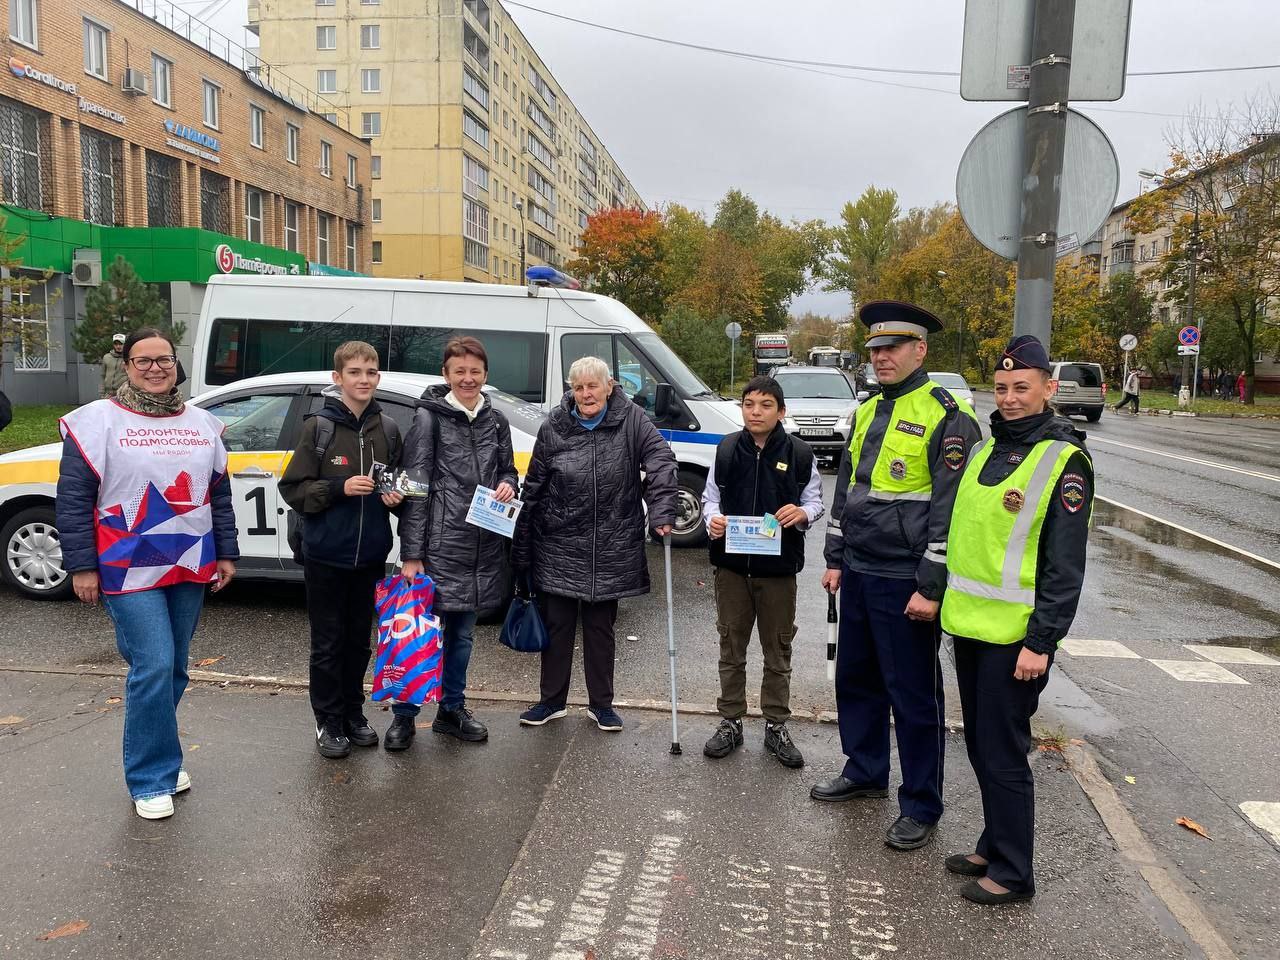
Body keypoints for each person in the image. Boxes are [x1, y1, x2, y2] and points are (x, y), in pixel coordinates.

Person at [810, 300, 982, 852]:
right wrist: (834, 555)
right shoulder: (866, 411)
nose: (881, 358)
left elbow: (951, 509)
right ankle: (864, 770)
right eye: (876, 350)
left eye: (892, 349)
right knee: (856, 680)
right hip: (859, 568)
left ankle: (921, 803)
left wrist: (930, 585)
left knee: (913, 696)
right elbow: (851, 491)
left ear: (919, 350)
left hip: (905, 576)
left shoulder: (947, 415)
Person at [55, 326, 239, 820]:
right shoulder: (96, 422)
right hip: (123, 564)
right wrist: (81, 566)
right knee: (154, 664)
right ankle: (149, 777)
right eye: (144, 361)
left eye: (164, 359)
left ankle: (160, 751)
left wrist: (227, 552)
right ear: (128, 365)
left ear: (176, 364)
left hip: (189, 558)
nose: (155, 368)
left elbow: (217, 494)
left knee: (175, 667)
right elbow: (73, 501)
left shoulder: (203, 423)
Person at [941, 334, 1093, 905]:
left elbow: (1063, 564)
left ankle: (1013, 872)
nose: (1008, 398)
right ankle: (993, 841)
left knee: (1004, 752)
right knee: (980, 744)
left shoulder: (1063, 460)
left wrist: (1042, 641)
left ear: (1048, 389)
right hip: (971, 627)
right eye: (1001, 388)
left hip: (1016, 640)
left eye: (1021, 388)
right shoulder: (987, 451)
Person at [511, 356, 678, 732]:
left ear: (609, 386)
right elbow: (535, 484)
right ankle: (551, 702)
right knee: (557, 628)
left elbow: (661, 458)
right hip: (559, 542)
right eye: (579, 387)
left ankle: (601, 705)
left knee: (601, 630)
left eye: (593, 386)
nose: (586, 394)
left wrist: (663, 508)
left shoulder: (632, 419)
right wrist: (521, 545)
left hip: (611, 543)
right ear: (571, 389)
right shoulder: (555, 425)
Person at [278, 341, 404, 759]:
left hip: (370, 555)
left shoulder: (387, 429)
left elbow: (398, 484)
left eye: (370, 372)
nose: (364, 379)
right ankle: (328, 720)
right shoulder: (319, 428)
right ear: (338, 379)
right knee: (328, 643)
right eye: (355, 372)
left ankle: (353, 712)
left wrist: (395, 498)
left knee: (358, 643)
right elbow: (292, 489)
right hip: (325, 554)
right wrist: (339, 487)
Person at [394, 336, 518, 749]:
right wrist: (412, 554)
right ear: (446, 375)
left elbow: (508, 470)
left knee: (462, 638)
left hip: (480, 547)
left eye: (475, 371)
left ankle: (451, 709)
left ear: (485, 375)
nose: (468, 378)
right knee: (418, 635)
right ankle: (405, 717)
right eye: (459, 371)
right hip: (437, 547)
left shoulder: (496, 420)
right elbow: (414, 487)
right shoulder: (429, 419)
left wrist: (506, 484)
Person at [701, 375, 824, 768]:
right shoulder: (725, 449)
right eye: (749, 404)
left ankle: (775, 725)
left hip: (778, 572)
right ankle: (731, 721)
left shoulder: (801, 454)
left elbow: (816, 501)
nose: (756, 411)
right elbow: (710, 499)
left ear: (781, 412)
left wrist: (803, 513)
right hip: (732, 570)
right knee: (731, 648)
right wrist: (712, 521)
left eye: (765, 405)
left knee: (778, 650)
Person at [101, 333, 128, 398]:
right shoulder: (106, 357)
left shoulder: (128, 358)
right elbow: (103, 375)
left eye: (121, 344)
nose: (118, 346)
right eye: (116, 344)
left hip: (123, 394)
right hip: (108, 395)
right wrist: (102, 393)